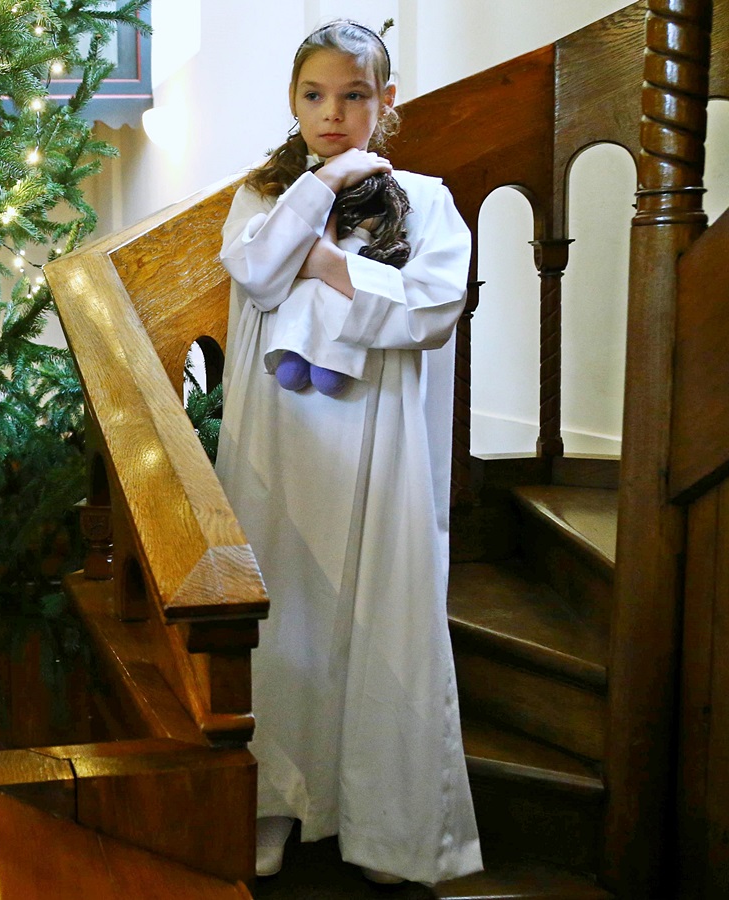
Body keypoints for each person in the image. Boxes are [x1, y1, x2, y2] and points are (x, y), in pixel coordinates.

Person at [214, 20, 482, 886]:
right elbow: (256, 273)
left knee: (381, 619)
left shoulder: (430, 201)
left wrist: (334, 270)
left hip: (378, 435)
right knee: (279, 611)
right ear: (293, 103)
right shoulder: (264, 195)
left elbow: (431, 309)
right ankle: (274, 801)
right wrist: (320, 185)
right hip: (282, 442)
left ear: (386, 100)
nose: (334, 113)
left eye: (354, 96)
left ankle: (388, 824)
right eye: (314, 96)